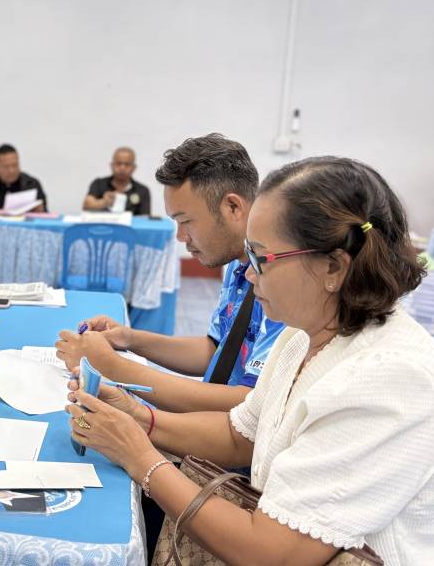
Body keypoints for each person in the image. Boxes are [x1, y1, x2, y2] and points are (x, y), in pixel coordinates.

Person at [66, 156, 434, 565]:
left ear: (332, 267)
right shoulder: (301, 336)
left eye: (261, 258)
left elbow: (271, 553)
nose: (248, 274)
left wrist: (141, 457)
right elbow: (239, 434)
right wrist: (139, 417)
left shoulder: (388, 380)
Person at [56, 134, 284, 414]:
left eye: (185, 221)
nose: (180, 236)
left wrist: (113, 367)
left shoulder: (279, 280)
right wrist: (128, 338)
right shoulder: (238, 263)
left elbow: (249, 406)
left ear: (233, 207)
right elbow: (216, 350)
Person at [83, 146, 152, 215]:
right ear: (111, 165)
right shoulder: (98, 184)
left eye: (127, 164)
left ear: (134, 168)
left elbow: (145, 217)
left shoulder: (143, 190)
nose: (122, 168)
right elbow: (86, 206)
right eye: (118, 163)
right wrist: (104, 202)